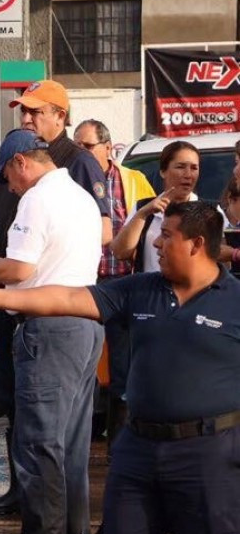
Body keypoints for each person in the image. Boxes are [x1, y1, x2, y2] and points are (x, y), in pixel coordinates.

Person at [0, 200, 240, 534]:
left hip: (209, 453)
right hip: (138, 450)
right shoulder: (141, 289)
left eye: (167, 236)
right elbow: (67, 299)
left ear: (196, 244)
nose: (156, 244)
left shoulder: (234, 301)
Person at [0, 130, 105, 534]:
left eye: (8, 178)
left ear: (21, 163)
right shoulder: (81, 196)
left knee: (38, 444)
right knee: (71, 445)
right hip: (85, 326)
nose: (9, 188)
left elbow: (21, 271)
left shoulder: (36, 198)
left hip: (48, 331)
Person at [73, 119, 155, 446]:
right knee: (82, 367)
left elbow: (152, 228)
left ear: (108, 147)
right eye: (76, 146)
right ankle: (83, 436)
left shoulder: (134, 180)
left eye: (87, 146)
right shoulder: (71, 181)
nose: (81, 152)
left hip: (124, 286)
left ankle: (117, 448)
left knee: (122, 371)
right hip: (86, 287)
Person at [10, 80, 113, 245]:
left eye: (34, 112)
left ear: (60, 116)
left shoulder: (80, 161)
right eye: (23, 112)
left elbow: (104, 232)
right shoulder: (19, 157)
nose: (25, 119)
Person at [111, 141, 202, 274]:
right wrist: (142, 214)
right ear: (163, 172)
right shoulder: (143, 208)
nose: (188, 175)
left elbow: (221, 260)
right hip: (150, 292)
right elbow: (120, 252)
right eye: (180, 167)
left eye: (194, 168)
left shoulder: (209, 211)